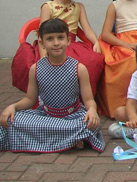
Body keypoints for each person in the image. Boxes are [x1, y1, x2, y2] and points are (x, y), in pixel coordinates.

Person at [0, 19, 104, 152]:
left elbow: (88, 100)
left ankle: (56, 138)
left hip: (73, 118)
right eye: (50, 39)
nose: (56, 43)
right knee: (12, 120)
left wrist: (92, 110)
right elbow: (30, 99)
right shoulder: (36, 68)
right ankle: (70, 140)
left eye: (60, 38)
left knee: (89, 124)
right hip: (46, 117)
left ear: (68, 40)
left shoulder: (79, 68)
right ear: (42, 43)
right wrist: (13, 107)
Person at [12, 0, 104, 95]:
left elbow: (86, 28)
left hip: (70, 43)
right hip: (51, 42)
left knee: (93, 60)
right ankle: (52, 96)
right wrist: (44, 56)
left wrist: (96, 42)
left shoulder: (79, 7)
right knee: (52, 63)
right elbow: (43, 33)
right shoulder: (48, 6)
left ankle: (82, 96)